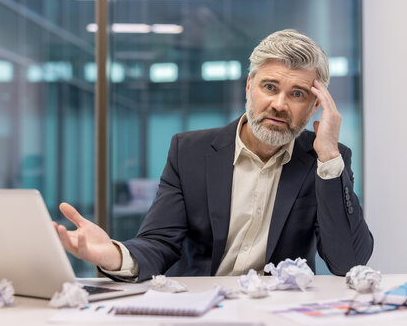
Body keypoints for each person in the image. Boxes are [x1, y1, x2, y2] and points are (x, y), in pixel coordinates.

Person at [54, 29, 373, 282]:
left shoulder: (325, 160)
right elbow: (159, 243)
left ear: (315, 106)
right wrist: (113, 254)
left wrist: (329, 156)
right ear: (249, 86)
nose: (279, 104)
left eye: (297, 94)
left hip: (277, 313)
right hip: (201, 311)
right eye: (270, 87)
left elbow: (348, 262)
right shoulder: (189, 152)